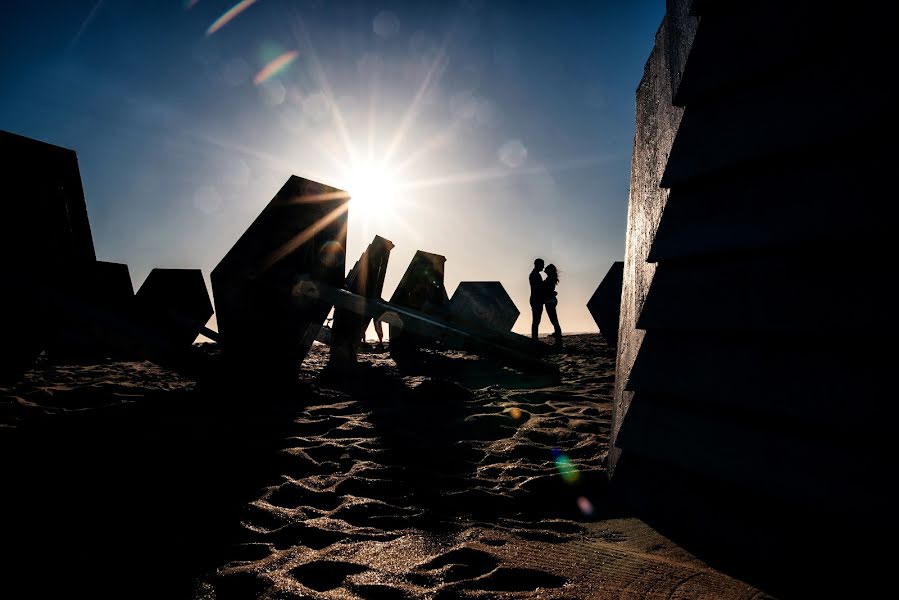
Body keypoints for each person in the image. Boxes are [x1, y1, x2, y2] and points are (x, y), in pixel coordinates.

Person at [542, 264, 563, 344]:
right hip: (551, 301)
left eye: (546, 268)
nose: (545, 268)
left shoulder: (549, 279)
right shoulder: (550, 278)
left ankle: (558, 335)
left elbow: (549, 290)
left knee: (553, 319)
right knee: (554, 319)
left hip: (550, 301)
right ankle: (557, 333)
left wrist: (553, 293)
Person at [529, 258, 545, 339]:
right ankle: (534, 339)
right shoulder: (535, 275)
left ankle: (535, 338)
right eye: (542, 265)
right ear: (538, 265)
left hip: (536, 299)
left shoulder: (535, 274)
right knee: (536, 320)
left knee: (536, 320)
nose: (543, 267)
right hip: (536, 300)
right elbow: (537, 288)